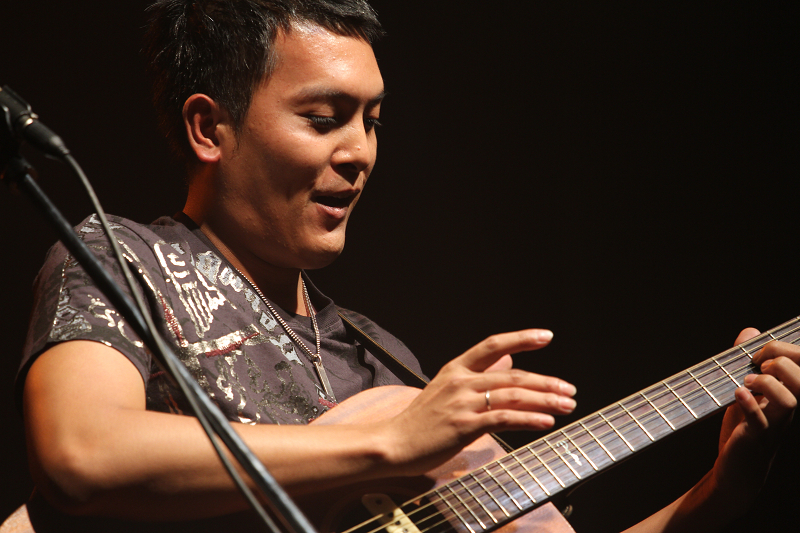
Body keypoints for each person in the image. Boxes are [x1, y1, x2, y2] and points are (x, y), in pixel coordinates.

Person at [15, 1, 800, 532]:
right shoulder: (122, 260)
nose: (359, 151)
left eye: (373, 121)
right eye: (324, 118)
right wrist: (392, 442)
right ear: (208, 128)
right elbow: (82, 453)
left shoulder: (381, 361)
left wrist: (714, 497)